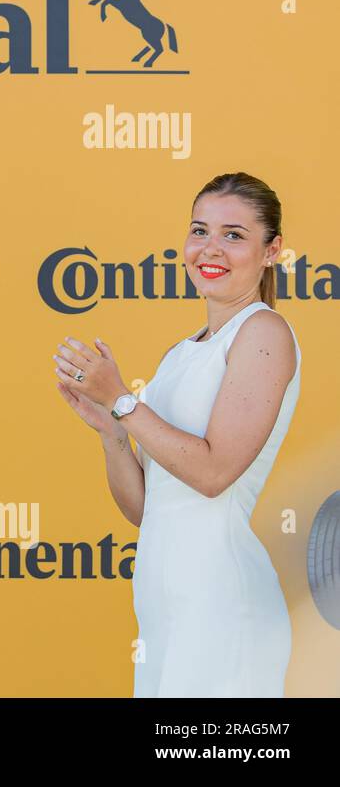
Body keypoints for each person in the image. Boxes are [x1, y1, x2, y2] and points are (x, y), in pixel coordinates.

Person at [55, 172, 300, 697]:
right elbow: (149, 509)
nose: (210, 249)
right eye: (200, 230)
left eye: (234, 235)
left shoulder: (263, 333)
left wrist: (123, 401)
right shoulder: (180, 353)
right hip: (169, 616)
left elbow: (212, 475)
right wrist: (112, 432)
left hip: (224, 609)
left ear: (271, 250)